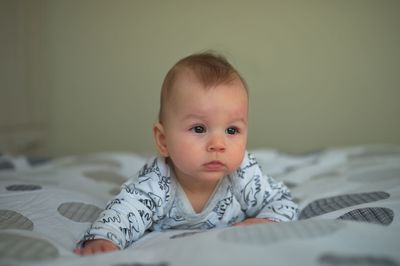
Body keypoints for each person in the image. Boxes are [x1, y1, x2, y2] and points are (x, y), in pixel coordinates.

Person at [74, 52, 298, 256]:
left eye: (232, 130)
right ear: (163, 141)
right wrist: (104, 238)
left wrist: (267, 220)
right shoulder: (156, 182)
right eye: (199, 128)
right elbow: (125, 212)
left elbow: (282, 202)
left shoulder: (243, 174)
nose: (218, 144)